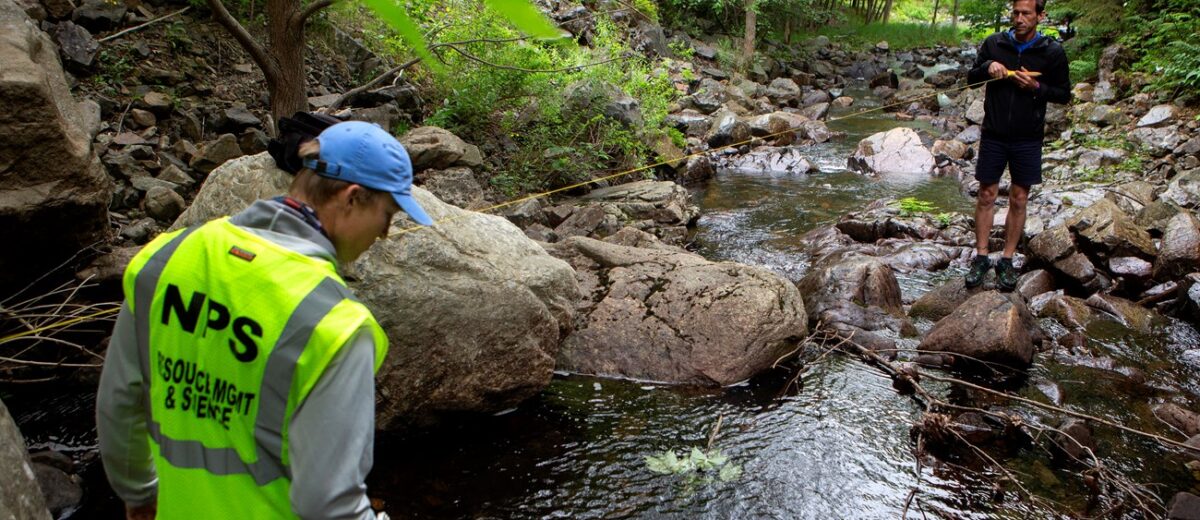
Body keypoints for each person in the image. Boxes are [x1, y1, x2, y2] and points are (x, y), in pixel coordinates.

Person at [97, 120, 433, 519]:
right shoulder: (336, 327)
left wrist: (138, 493)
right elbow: (330, 504)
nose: (384, 233)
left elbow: (119, 403)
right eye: (387, 214)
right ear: (351, 198)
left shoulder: (166, 258)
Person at [964, 0, 1070, 290]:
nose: (1020, 19)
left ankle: (1007, 260)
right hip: (994, 132)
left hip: (1028, 136)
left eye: (1026, 14)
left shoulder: (1051, 51)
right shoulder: (995, 44)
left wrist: (1036, 87)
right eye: (1016, 13)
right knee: (986, 194)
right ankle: (982, 256)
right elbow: (971, 78)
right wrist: (988, 66)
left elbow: (1063, 94)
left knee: (1019, 198)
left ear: (1040, 16)